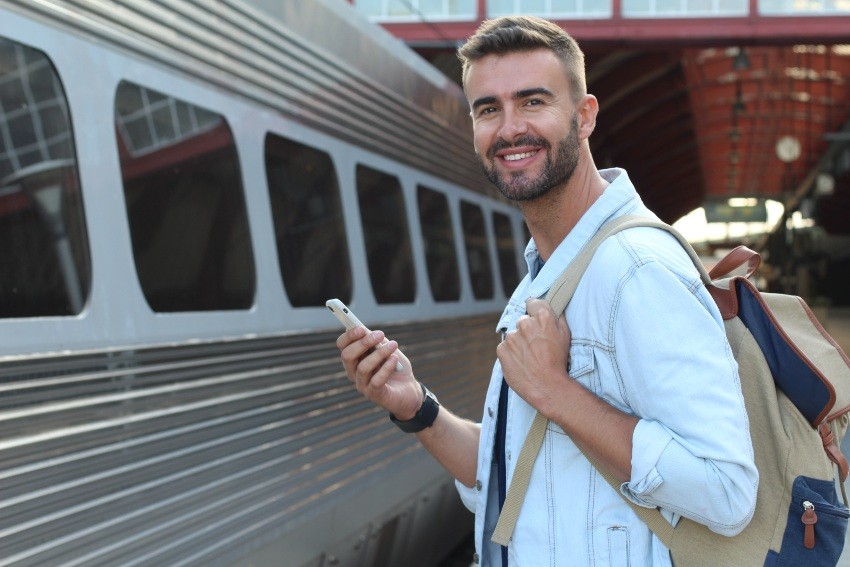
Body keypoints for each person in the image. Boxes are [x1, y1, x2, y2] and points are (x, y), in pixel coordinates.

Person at [336, 15, 758, 566]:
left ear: (584, 117)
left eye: (533, 102)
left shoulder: (637, 271)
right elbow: (513, 476)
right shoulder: (553, 268)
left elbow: (726, 492)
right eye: (488, 109)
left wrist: (557, 392)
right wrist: (417, 408)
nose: (509, 129)